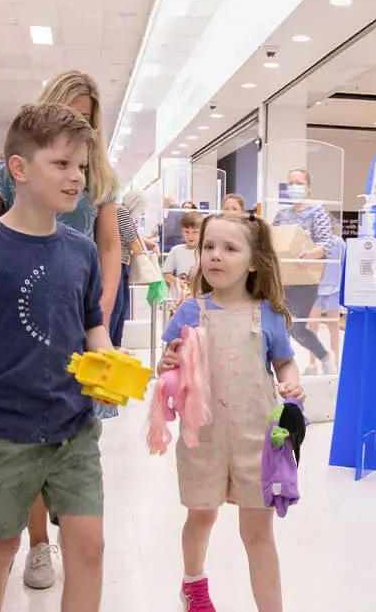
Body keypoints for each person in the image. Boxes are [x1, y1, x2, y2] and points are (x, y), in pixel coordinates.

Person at [0, 103, 112, 612]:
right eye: (61, 164)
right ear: (19, 168)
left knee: (90, 546)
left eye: (81, 166)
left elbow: (92, 323)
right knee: (1, 544)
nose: (76, 177)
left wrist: (106, 360)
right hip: (2, 432)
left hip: (75, 428)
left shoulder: (82, 251)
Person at [157, 213, 304, 612]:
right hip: (201, 437)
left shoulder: (267, 315)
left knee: (258, 532)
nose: (215, 256)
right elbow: (165, 365)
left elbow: (285, 363)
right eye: (208, 247)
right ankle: (194, 585)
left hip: (256, 441)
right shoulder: (190, 312)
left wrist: (291, 384)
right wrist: (167, 361)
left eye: (229, 248)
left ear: (254, 261)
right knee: (201, 516)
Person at [271, 168, 336, 373]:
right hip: (282, 279)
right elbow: (272, 239)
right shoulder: (282, 214)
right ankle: (283, 369)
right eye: (291, 183)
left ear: (308, 187)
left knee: (297, 328)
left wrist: (310, 255)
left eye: (299, 183)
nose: (294, 187)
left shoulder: (317, 211)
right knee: (279, 324)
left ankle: (324, 356)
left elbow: (327, 243)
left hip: (305, 280)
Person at [306, 214, 345, 374]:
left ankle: (335, 361)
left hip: (334, 288)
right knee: (312, 326)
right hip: (316, 288)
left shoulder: (339, 242)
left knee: (333, 326)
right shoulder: (313, 242)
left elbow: (344, 264)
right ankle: (312, 363)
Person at [110, 190, 148, 347]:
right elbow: (133, 241)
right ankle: (110, 343)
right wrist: (146, 262)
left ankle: (115, 344)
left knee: (122, 305)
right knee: (117, 306)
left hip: (122, 262)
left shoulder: (118, 211)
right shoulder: (122, 212)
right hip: (117, 263)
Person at [163, 211, 203, 303]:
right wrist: (178, 281)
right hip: (179, 300)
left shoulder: (206, 251)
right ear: (182, 231)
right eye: (187, 232)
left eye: (195, 232)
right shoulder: (176, 250)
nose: (190, 236)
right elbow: (166, 273)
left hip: (201, 300)